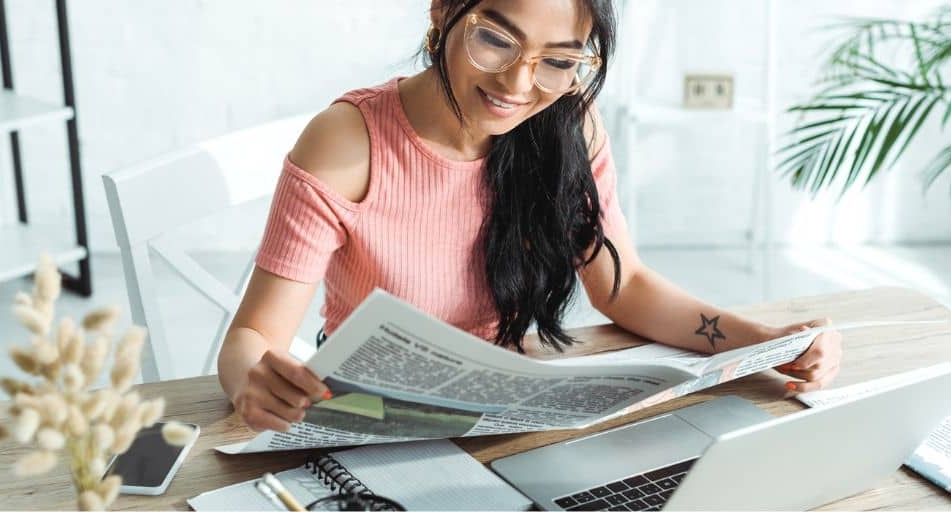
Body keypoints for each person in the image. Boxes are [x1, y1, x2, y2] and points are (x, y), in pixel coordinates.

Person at [218, 0, 842, 433]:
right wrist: (257, 381)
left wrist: (766, 344)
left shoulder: (570, 129)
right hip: (372, 403)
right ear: (443, 13)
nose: (519, 83)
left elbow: (625, 290)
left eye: (559, 60)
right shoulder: (349, 141)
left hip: (508, 399)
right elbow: (251, 340)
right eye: (495, 39)